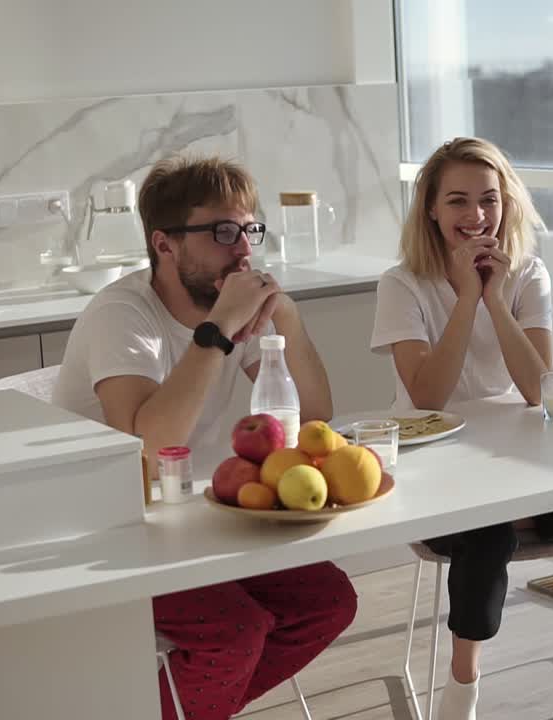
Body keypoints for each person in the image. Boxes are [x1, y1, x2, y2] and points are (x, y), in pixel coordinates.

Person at [52, 156, 356, 720]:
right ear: (164, 244)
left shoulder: (228, 307)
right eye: (221, 232)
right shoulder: (123, 315)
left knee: (328, 602)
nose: (243, 249)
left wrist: (284, 316)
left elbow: (316, 413)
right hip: (103, 532)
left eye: (248, 229)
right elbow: (144, 444)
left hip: (193, 517)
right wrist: (216, 333)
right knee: (236, 634)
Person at [370, 137, 553, 720]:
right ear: (430, 209)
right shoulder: (401, 284)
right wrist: (465, 299)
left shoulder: (528, 272)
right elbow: (427, 394)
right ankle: (464, 687)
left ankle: (510, 515)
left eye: (489, 199)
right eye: (457, 201)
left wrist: (497, 300)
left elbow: (539, 390)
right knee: (485, 533)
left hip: (510, 460)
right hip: (431, 462)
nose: (476, 215)